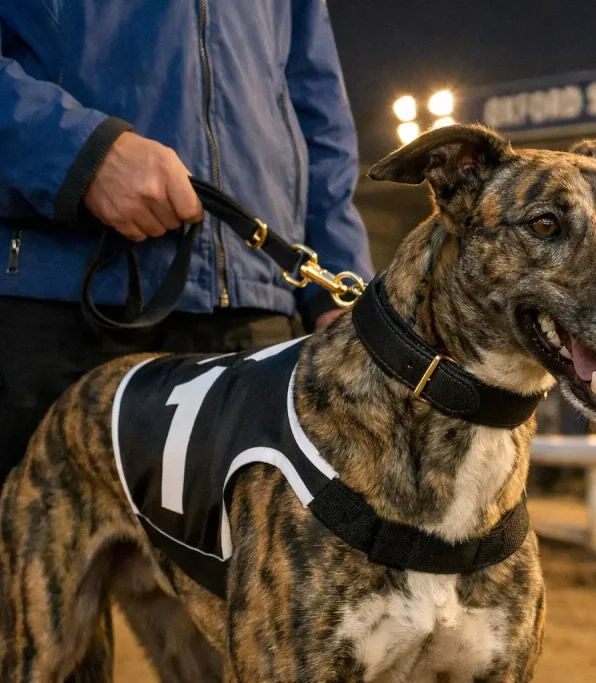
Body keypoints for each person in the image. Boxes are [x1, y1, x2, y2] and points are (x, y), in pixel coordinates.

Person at [0, 1, 374, 484]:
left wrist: (336, 280)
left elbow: (314, 101)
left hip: (257, 318)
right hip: (58, 306)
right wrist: (77, 152)